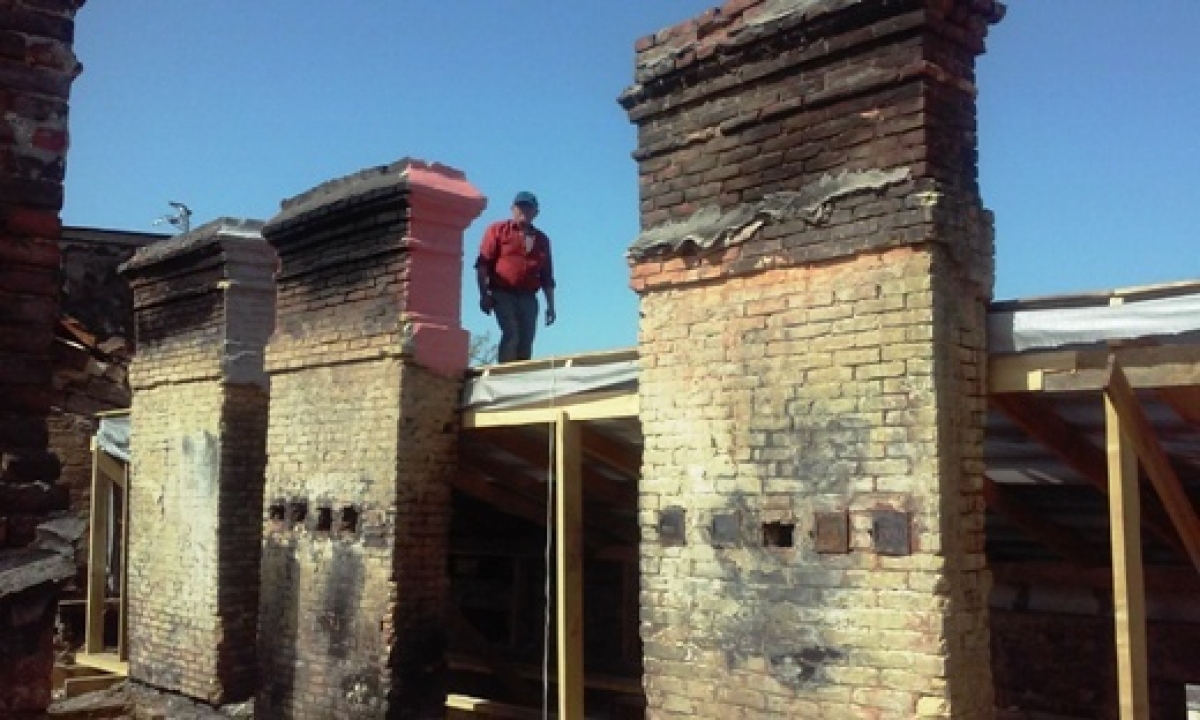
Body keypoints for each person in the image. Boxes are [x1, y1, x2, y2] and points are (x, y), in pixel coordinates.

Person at [474, 191, 556, 363]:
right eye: (520, 207)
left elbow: (547, 276)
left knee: (526, 339)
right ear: (512, 209)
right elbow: (483, 264)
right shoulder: (498, 230)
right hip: (502, 292)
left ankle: (520, 375)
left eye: (528, 207)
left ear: (536, 212)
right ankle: (505, 373)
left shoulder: (542, 240)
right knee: (511, 332)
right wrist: (484, 295)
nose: (524, 211)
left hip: (528, 296)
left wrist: (551, 306)